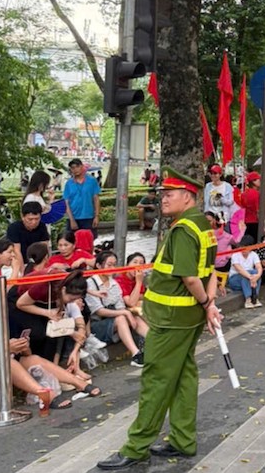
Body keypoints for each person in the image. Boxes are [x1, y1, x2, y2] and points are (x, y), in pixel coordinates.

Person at [97, 166, 221, 470]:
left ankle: (137, 446)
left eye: (170, 194)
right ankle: (182, 439)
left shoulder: (182, 230)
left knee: (156, 379)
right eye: (162, 193)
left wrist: (207, 304)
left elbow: (191, 278)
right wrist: (209, 305)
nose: (163, 198)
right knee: (182, 376)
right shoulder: (203, 226)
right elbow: (213, 273)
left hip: (171, 319)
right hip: (187, 317)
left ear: (188, 197)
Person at [85, 251, 148, 367]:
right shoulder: (90, 284)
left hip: (112, 322)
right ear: (99, 266)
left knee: (133, 317)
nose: (112, 268)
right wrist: (125, 312)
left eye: (114, 265)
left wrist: (126, 313)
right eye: (109, 265)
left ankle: (156, 343)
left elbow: (120, 306)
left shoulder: (114, 284)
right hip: (96, 327)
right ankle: (136, 354)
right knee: (121, 317)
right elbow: (99, 311)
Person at [6, 201, 50, 273]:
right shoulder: (14, 228)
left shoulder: (42, 227)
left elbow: (44, 248)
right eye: (30, 219)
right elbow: (17, 251)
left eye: (37, 219)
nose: (34, 222)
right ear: (22, 217)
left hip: (37, 264)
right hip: (19, 263)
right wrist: (24, 271)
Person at [63, 158, 101, 237]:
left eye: (77, 167)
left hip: (88, 217)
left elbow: (96, 199)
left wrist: (96, 216)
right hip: (73, 217)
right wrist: (71, 220)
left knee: (88, 241)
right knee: (72, 241)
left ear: (82, 166)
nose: (75, 169)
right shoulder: (69, 183)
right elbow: (66, 202)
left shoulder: (92, 181)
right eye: (73, 168)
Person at [228, 235, 264, 308]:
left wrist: (257, 276)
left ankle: (255, 298)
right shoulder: (235, 255)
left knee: (255, 272)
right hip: (235, 279)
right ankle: (248, 299)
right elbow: (239, 270)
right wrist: (251, 278)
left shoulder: (254, 255)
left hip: (250, 280)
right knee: (245, 276)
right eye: (242, 246)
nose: (244, 249)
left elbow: (259, 267)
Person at [241, 171, 261, 238]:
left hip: (245, 221)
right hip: (255, 222)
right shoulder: (257, 194)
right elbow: (258, 210)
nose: (260, 181)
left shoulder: (243, 194)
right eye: (258, 179)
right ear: (253, 181)